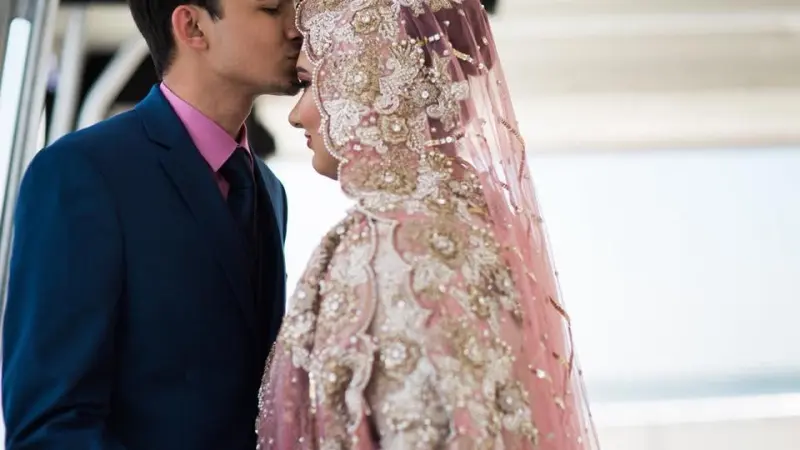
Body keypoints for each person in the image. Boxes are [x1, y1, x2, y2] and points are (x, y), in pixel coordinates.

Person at [256, 0, 599, 448]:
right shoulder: (476, 221)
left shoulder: (390, 242)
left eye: (309, 83)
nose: (296, 114)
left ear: (366, 82)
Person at [2, 1, 300, 449]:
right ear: (193, 26)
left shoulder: (270, 191)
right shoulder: (82, 172)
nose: (297, 28)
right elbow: (50, 423)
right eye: (271, 9)